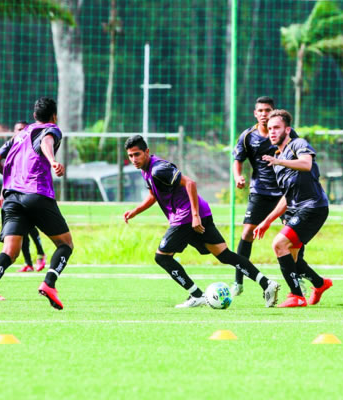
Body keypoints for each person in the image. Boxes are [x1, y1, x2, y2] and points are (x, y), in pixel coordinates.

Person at [123, 135, 280, 308]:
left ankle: (196, 295)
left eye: (137, 154)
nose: (133, 159)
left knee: (162, 257)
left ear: (147, 152)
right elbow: (154, 194)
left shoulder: (158, 169)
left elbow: (190, 183)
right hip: (197, 214)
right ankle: (267, 284)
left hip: (187, 217)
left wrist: (195, 215)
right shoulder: (147, 170)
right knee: (224, 255)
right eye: (130, 156)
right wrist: (135, 211)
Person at [0, 97, 73, 313]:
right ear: (54, 116)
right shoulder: (51, 129)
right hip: (36, 193)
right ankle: (49, 283)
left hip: (11, 197)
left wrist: (12, 177)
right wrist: (52, 161)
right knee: (65, 244)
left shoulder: (19, 134)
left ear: (33, 116)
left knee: (10, 251)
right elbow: (47, 142)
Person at [253, 110, 332, 308]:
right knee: (293, 260)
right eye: (269, 128)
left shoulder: (298, 144)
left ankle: (296, 296)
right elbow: (287, 198)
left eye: (276, 127)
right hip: (297, 209)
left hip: (313, 206)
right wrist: (267, 221)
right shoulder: (276, 158)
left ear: (287, 129)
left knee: (279, 244)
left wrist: (279, 161)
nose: (272, 132)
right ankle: (320, 284)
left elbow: (306, 164)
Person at [232, 96, 307, 297]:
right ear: (255, 114)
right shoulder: (248, 136)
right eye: (261, 111)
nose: (264, 114)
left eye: (268, 110)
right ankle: (238, 280)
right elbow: (237, 160)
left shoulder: (286, 134)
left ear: (274, 113)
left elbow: (300, 158)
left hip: (285, 194)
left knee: (293, 238)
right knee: (247, 233)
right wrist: (238, 176)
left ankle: (297, 277)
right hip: (259, 192)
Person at [0, 120, 46, 273]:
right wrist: (3, 193)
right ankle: (28, 262)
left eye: (23, 129)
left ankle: (41, 253)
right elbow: (7, 171)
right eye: (17, 129)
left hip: (30, 192)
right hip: (14, 193)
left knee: (31, 228)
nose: (20, 131)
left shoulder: (32, 145)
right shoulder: (12, 146)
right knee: (20, 232)